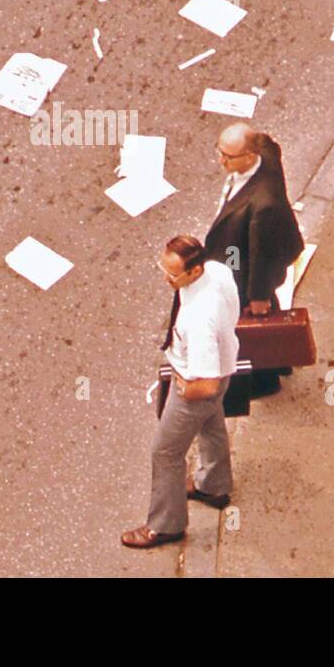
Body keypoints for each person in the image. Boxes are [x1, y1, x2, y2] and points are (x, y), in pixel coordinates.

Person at [121, 235, 239, 549]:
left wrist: (187, 388)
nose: (166, 277)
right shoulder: (218, 272)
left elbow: (207, 384)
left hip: (195, 384)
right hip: (225, 365)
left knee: (165, 451)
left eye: (173, 274)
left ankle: (165, 524)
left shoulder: (199, 318)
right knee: (212, 426)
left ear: (194, 271)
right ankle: (213, 484)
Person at [203, 123, 303, 393]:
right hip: (239, 251)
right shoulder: (266, 153)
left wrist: (257, 297)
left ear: (249, 157)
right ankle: (280, 363)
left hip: (244, 268)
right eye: (220, 151)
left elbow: (263, 256)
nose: (221, 160)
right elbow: (271, 143)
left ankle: (265, 379)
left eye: (228, 156)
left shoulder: (263, 207)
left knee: (254, 326)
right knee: (265, 317)